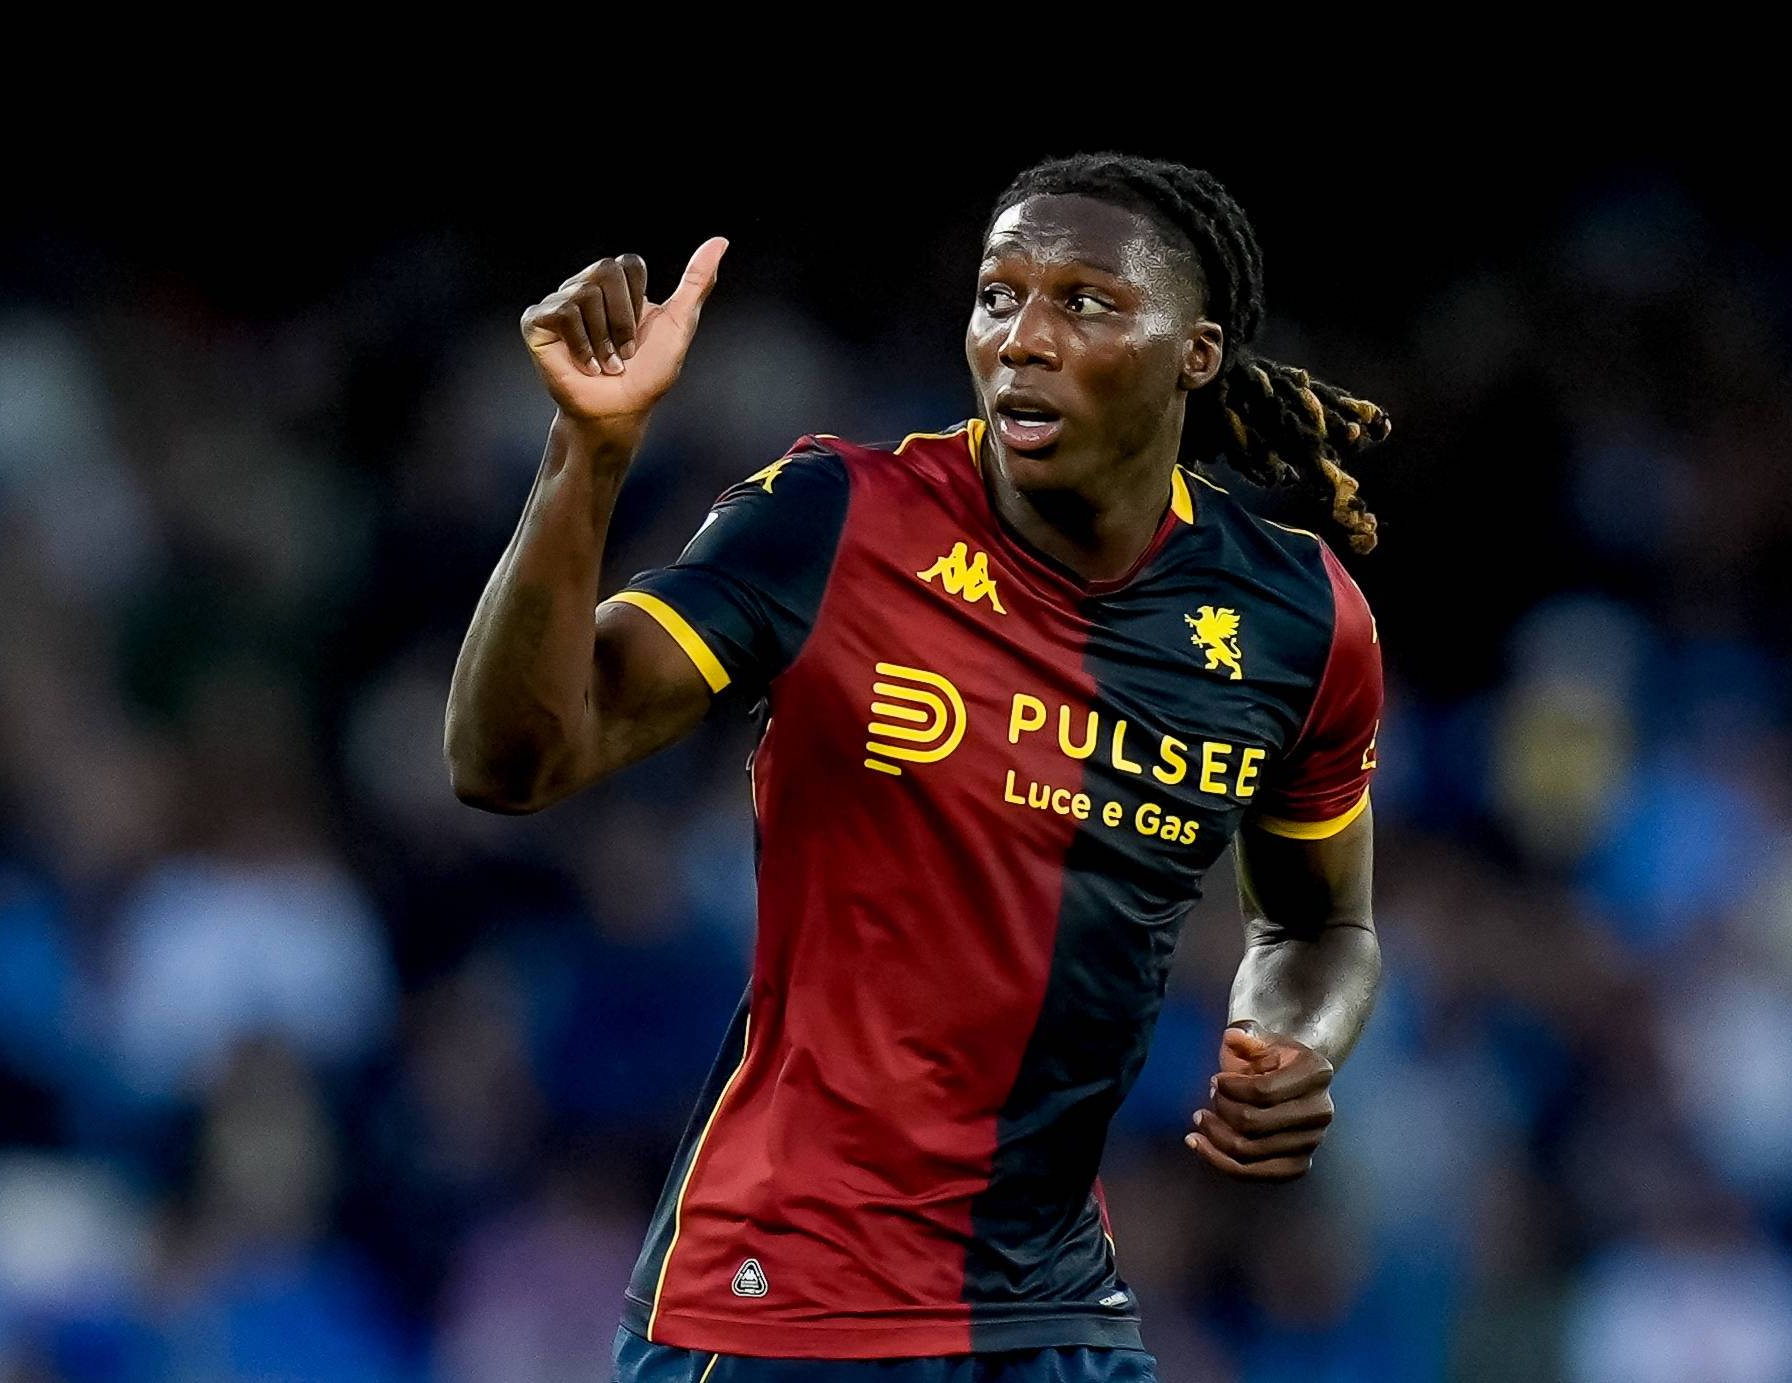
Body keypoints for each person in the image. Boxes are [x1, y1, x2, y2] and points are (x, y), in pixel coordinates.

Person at [446, 152, 1390, 1383]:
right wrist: (587, 449)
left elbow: (1319, 926)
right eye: (998, 296)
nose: (1022, 338)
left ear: (1194, 354)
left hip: (1050, 1311)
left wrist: (1292, 1039)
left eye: (1084, 303)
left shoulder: (1298, 619)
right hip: (778, 1299)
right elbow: (511, 761)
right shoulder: (835, 518)